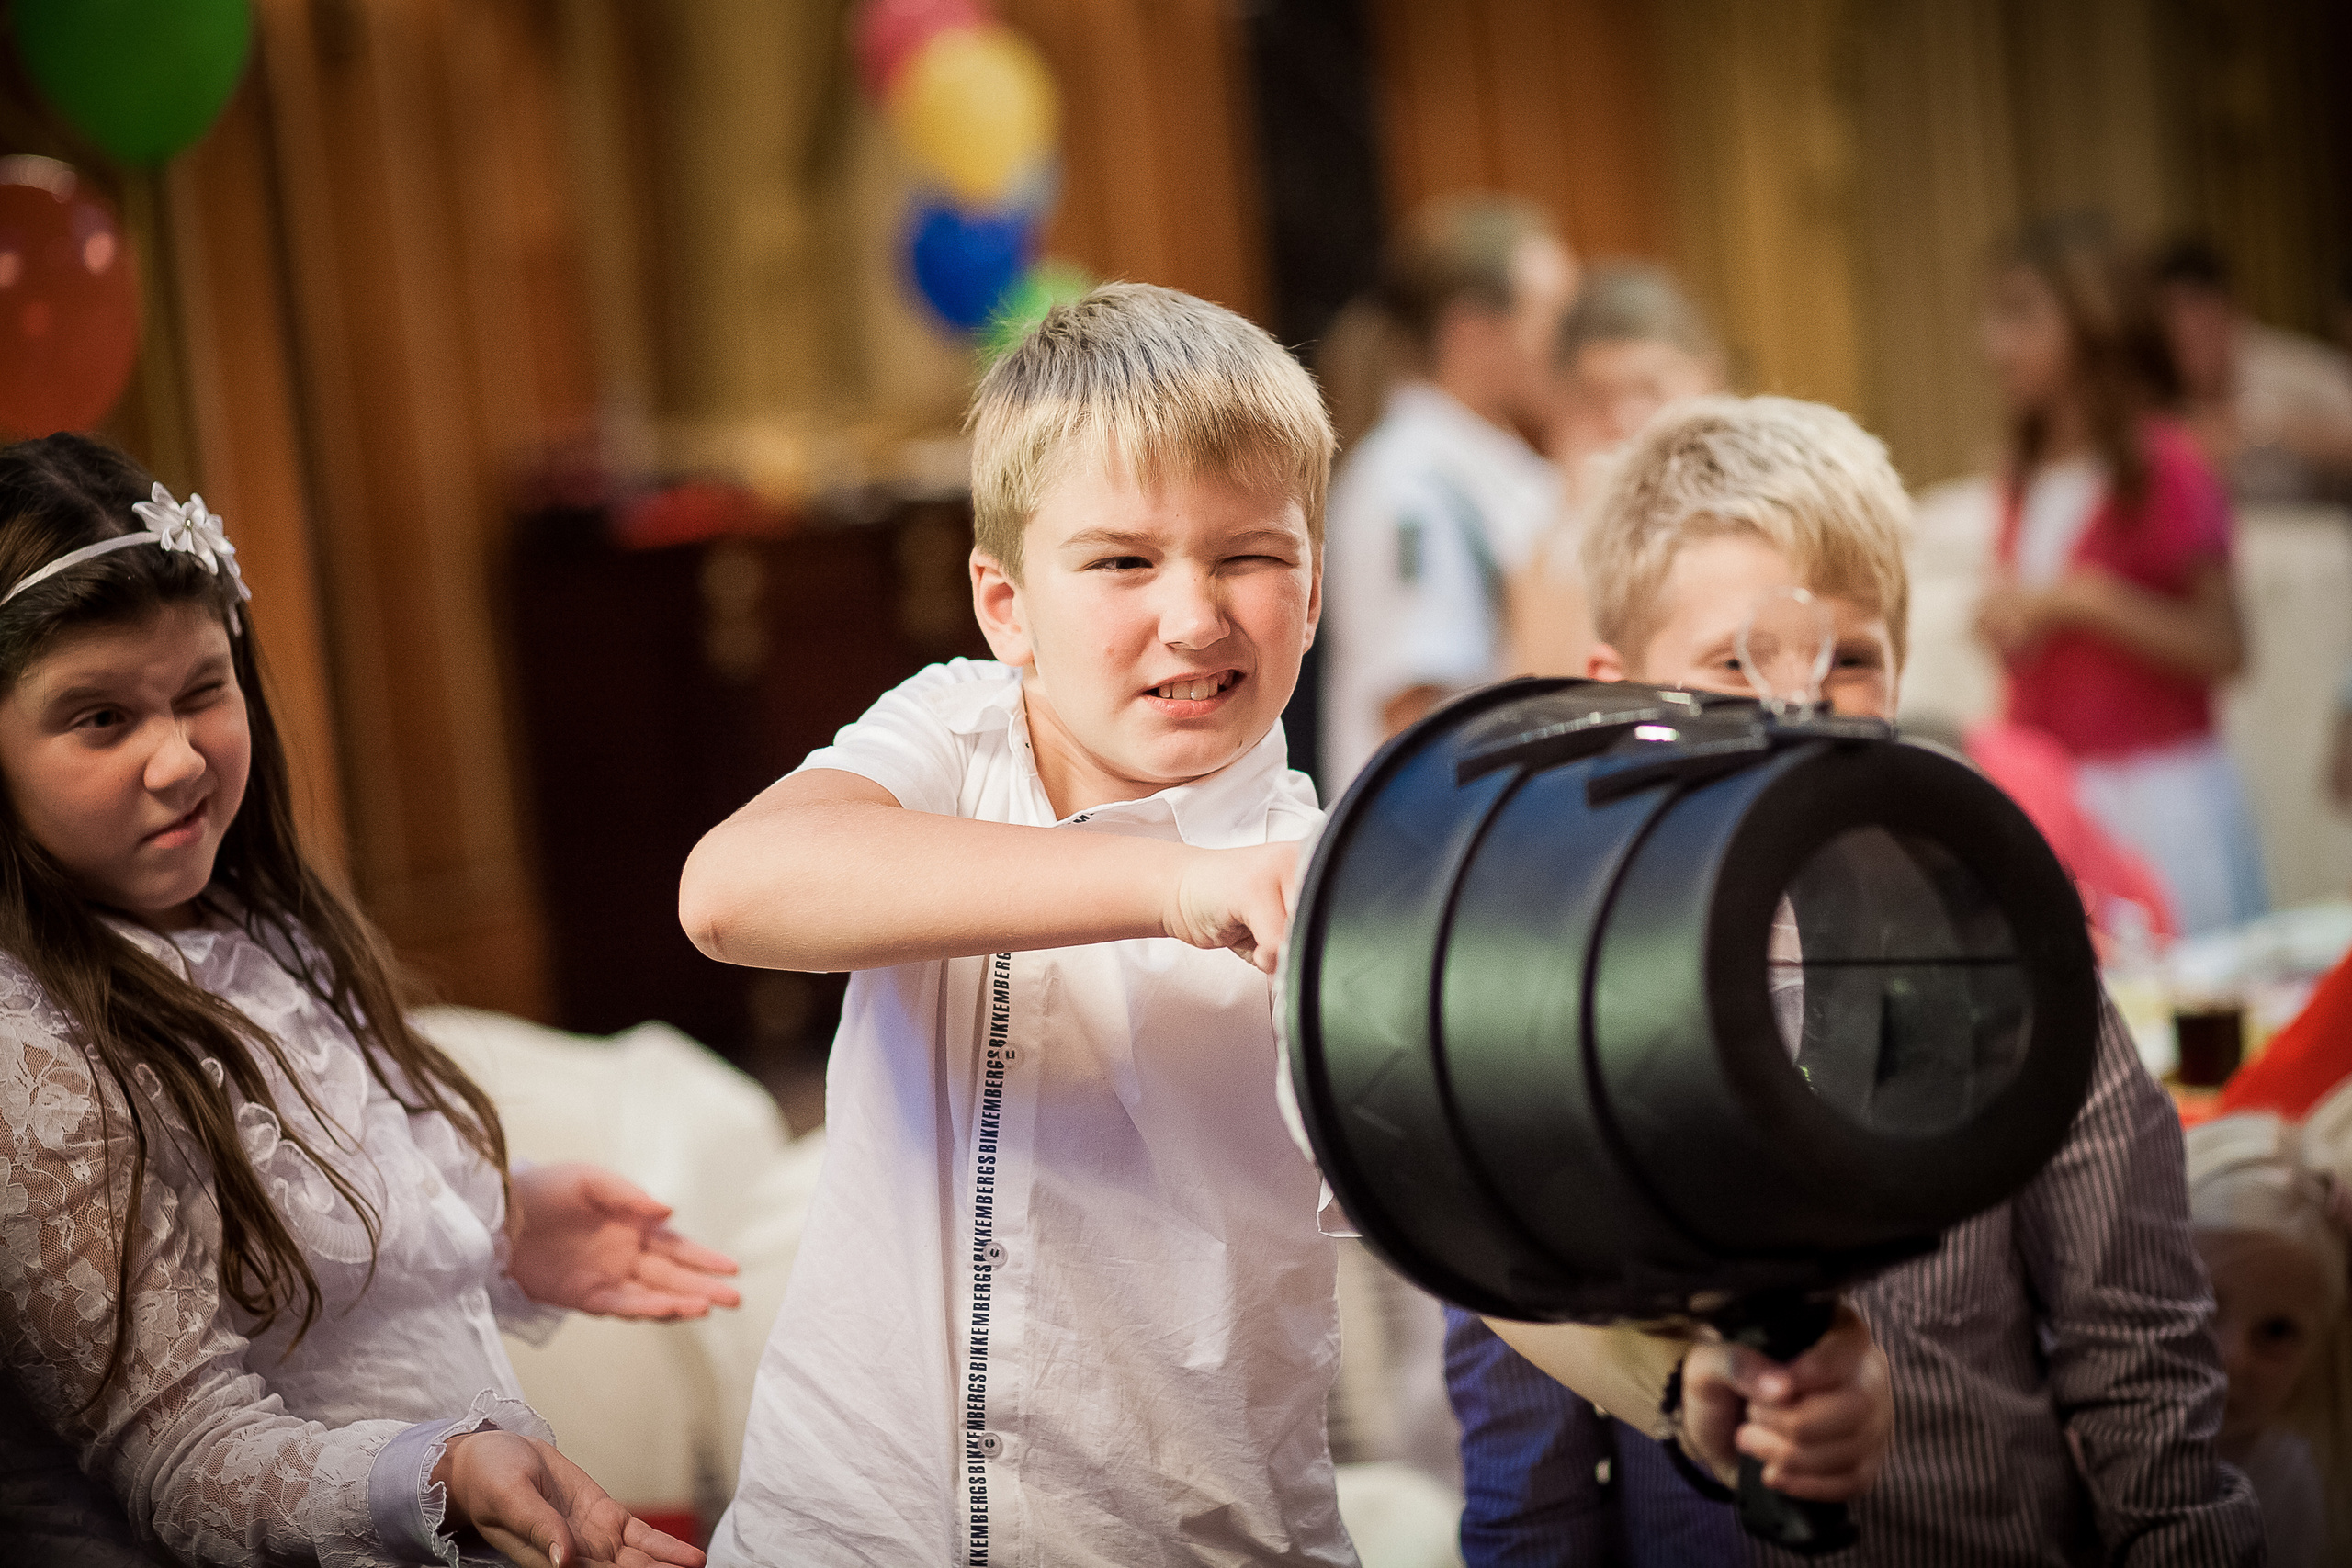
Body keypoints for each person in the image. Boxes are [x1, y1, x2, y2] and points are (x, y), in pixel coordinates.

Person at [676, 286, 1890, 1567]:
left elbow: (1480, 1236)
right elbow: (732, 892)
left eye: (1248, 557)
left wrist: (1681, 1386)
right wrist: (1176, 884)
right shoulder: (951, 730)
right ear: (1005, 605)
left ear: (1312, 596)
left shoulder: (1350, 889)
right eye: (1123, 561)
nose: (1194, 617)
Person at [1446, 396, 2265, 1564]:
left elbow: (2145, 1381)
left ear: (1899, 675)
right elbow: (1528, 1482)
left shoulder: (2011, 974)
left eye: (1849, 663)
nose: (1796, 710)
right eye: (1735, 662)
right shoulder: (1543, 1028)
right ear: (1619, 692)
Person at [0, 434, 739, 1568]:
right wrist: (438, 1476)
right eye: (101, 718)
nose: (180, 760)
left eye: (203, 691)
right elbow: (185, 1458)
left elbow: (312, 1256)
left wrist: (501, 1226)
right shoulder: (28, 1048)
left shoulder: (254, 927)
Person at [1974, 213, 2267, 936]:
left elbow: (2228, 645)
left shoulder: (2167, 466)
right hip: (2061, 796)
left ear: (2091, 322)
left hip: (2161, 803)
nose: (1994, 344)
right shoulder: (2022, 478)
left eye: (2021, 315)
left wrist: (2090, 602)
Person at [1320, 195, 1576, 789]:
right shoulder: (1409, 486)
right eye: (1552, 317)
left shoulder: (1501, 465)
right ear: (1472, 332)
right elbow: (1416, 720)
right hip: (1447, 829)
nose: (1569, 346)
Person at [1510, 261, 1728, 681]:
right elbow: (1546, 689)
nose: (1628, 420)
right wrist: (1579, 521)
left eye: (1650, 389)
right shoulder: (1538, 522)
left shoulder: (1768, 499)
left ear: (1707, 377)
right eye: (1598, 397)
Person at [2185, 1098, 2352, 1565]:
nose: (2233, 1357)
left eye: (2277, 1332)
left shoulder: (2287, 1485)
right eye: (2202, 1305)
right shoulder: (2059, 1434)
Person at [2154, 236, 2352, 505]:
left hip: (2306, 524)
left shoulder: (2297, 368)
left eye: (2196, 308)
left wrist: (2263, 427)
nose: (2184, 327)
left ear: (2233, 307)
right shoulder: (2148, 381)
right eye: (2168, 314)